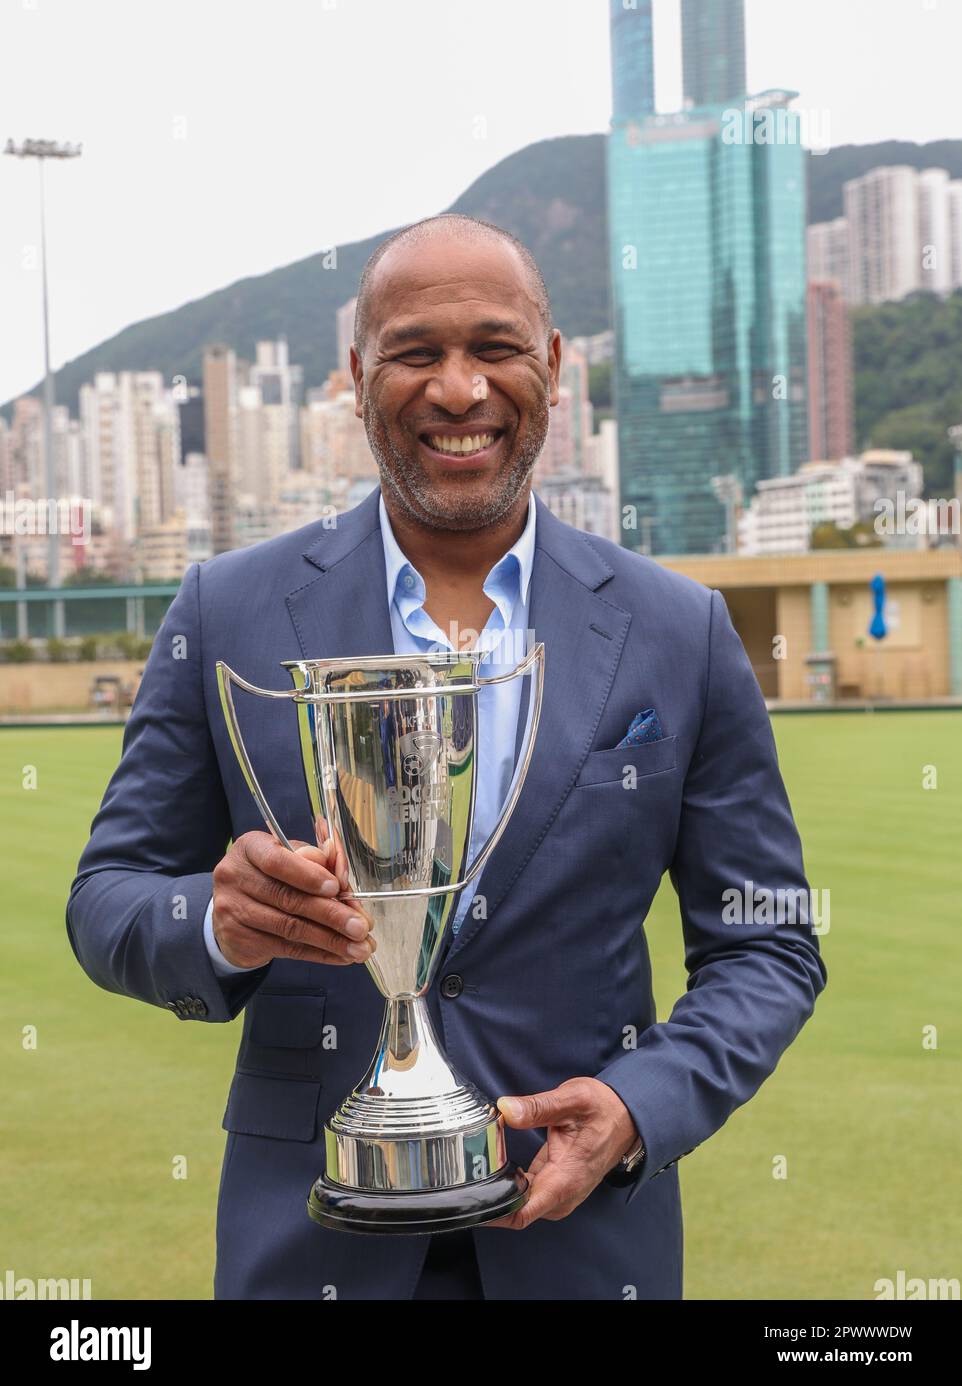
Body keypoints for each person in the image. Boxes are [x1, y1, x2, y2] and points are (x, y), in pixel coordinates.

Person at [67, 213, 827, 1300]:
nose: (458, 390)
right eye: (415, 352)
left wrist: (633, 1108)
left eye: (495, 347)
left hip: (582, 1249)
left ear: (554, 367)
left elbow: (768, 940)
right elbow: (107, 900)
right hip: (308, 1251)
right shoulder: (227, 611)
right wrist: (220, 926)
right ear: (357, 377)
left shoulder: (677, 628)